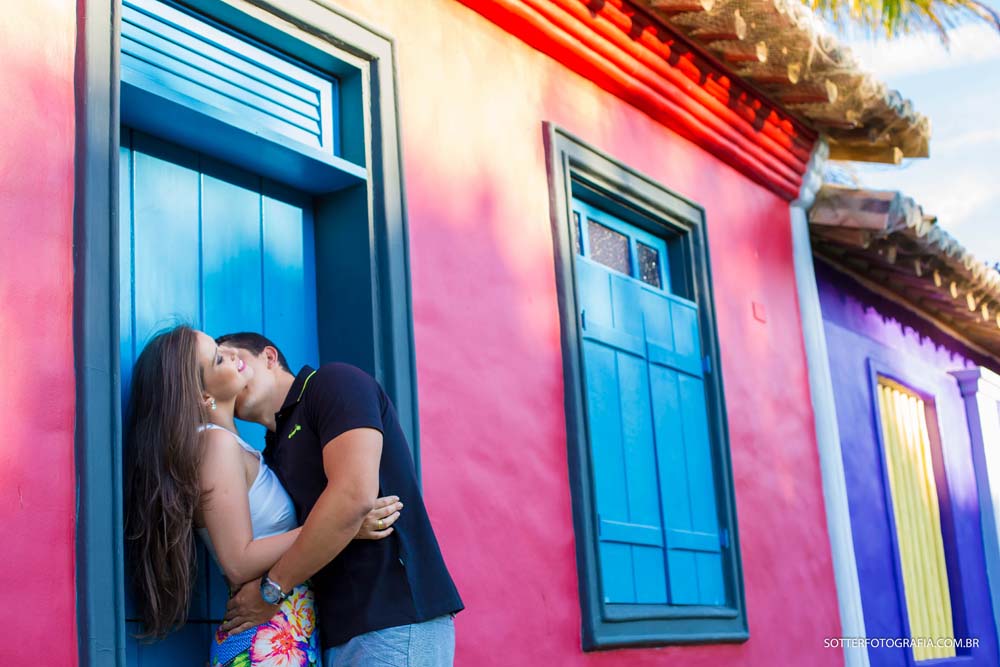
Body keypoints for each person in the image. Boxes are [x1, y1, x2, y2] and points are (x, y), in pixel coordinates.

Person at [124, 326, 403, 667]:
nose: (231, 356)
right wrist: (344, 527)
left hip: (285, 631)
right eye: (218, 358)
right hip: (265, 638)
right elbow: (237, 561)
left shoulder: (239, 447)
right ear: (202, 397)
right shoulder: (215, 444)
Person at [214, 332, 463, 667]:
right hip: (333, 633)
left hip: (394, 619)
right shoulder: (272, 450)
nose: (230, 370)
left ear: (269, 358)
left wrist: (270, 590)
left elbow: (353, 494)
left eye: (234, 358)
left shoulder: (333, 384)